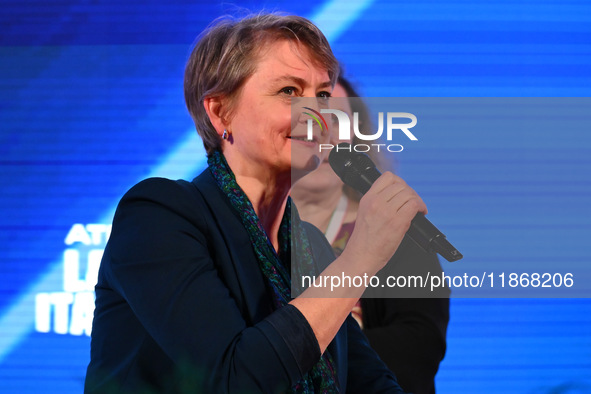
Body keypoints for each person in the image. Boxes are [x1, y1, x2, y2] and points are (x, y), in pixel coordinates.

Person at [85, 13, 428, 394]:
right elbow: (236, 379)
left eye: (324, 95)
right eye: (289, 92)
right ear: (220, 112)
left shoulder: (309, 247)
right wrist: (361, 257)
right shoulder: (158, 215)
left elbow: (370, 384)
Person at [291, 74, 450, 394]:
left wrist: (289, 348)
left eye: (335, 120)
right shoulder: (242, 230)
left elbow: (416, 350)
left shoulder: (401, 229)